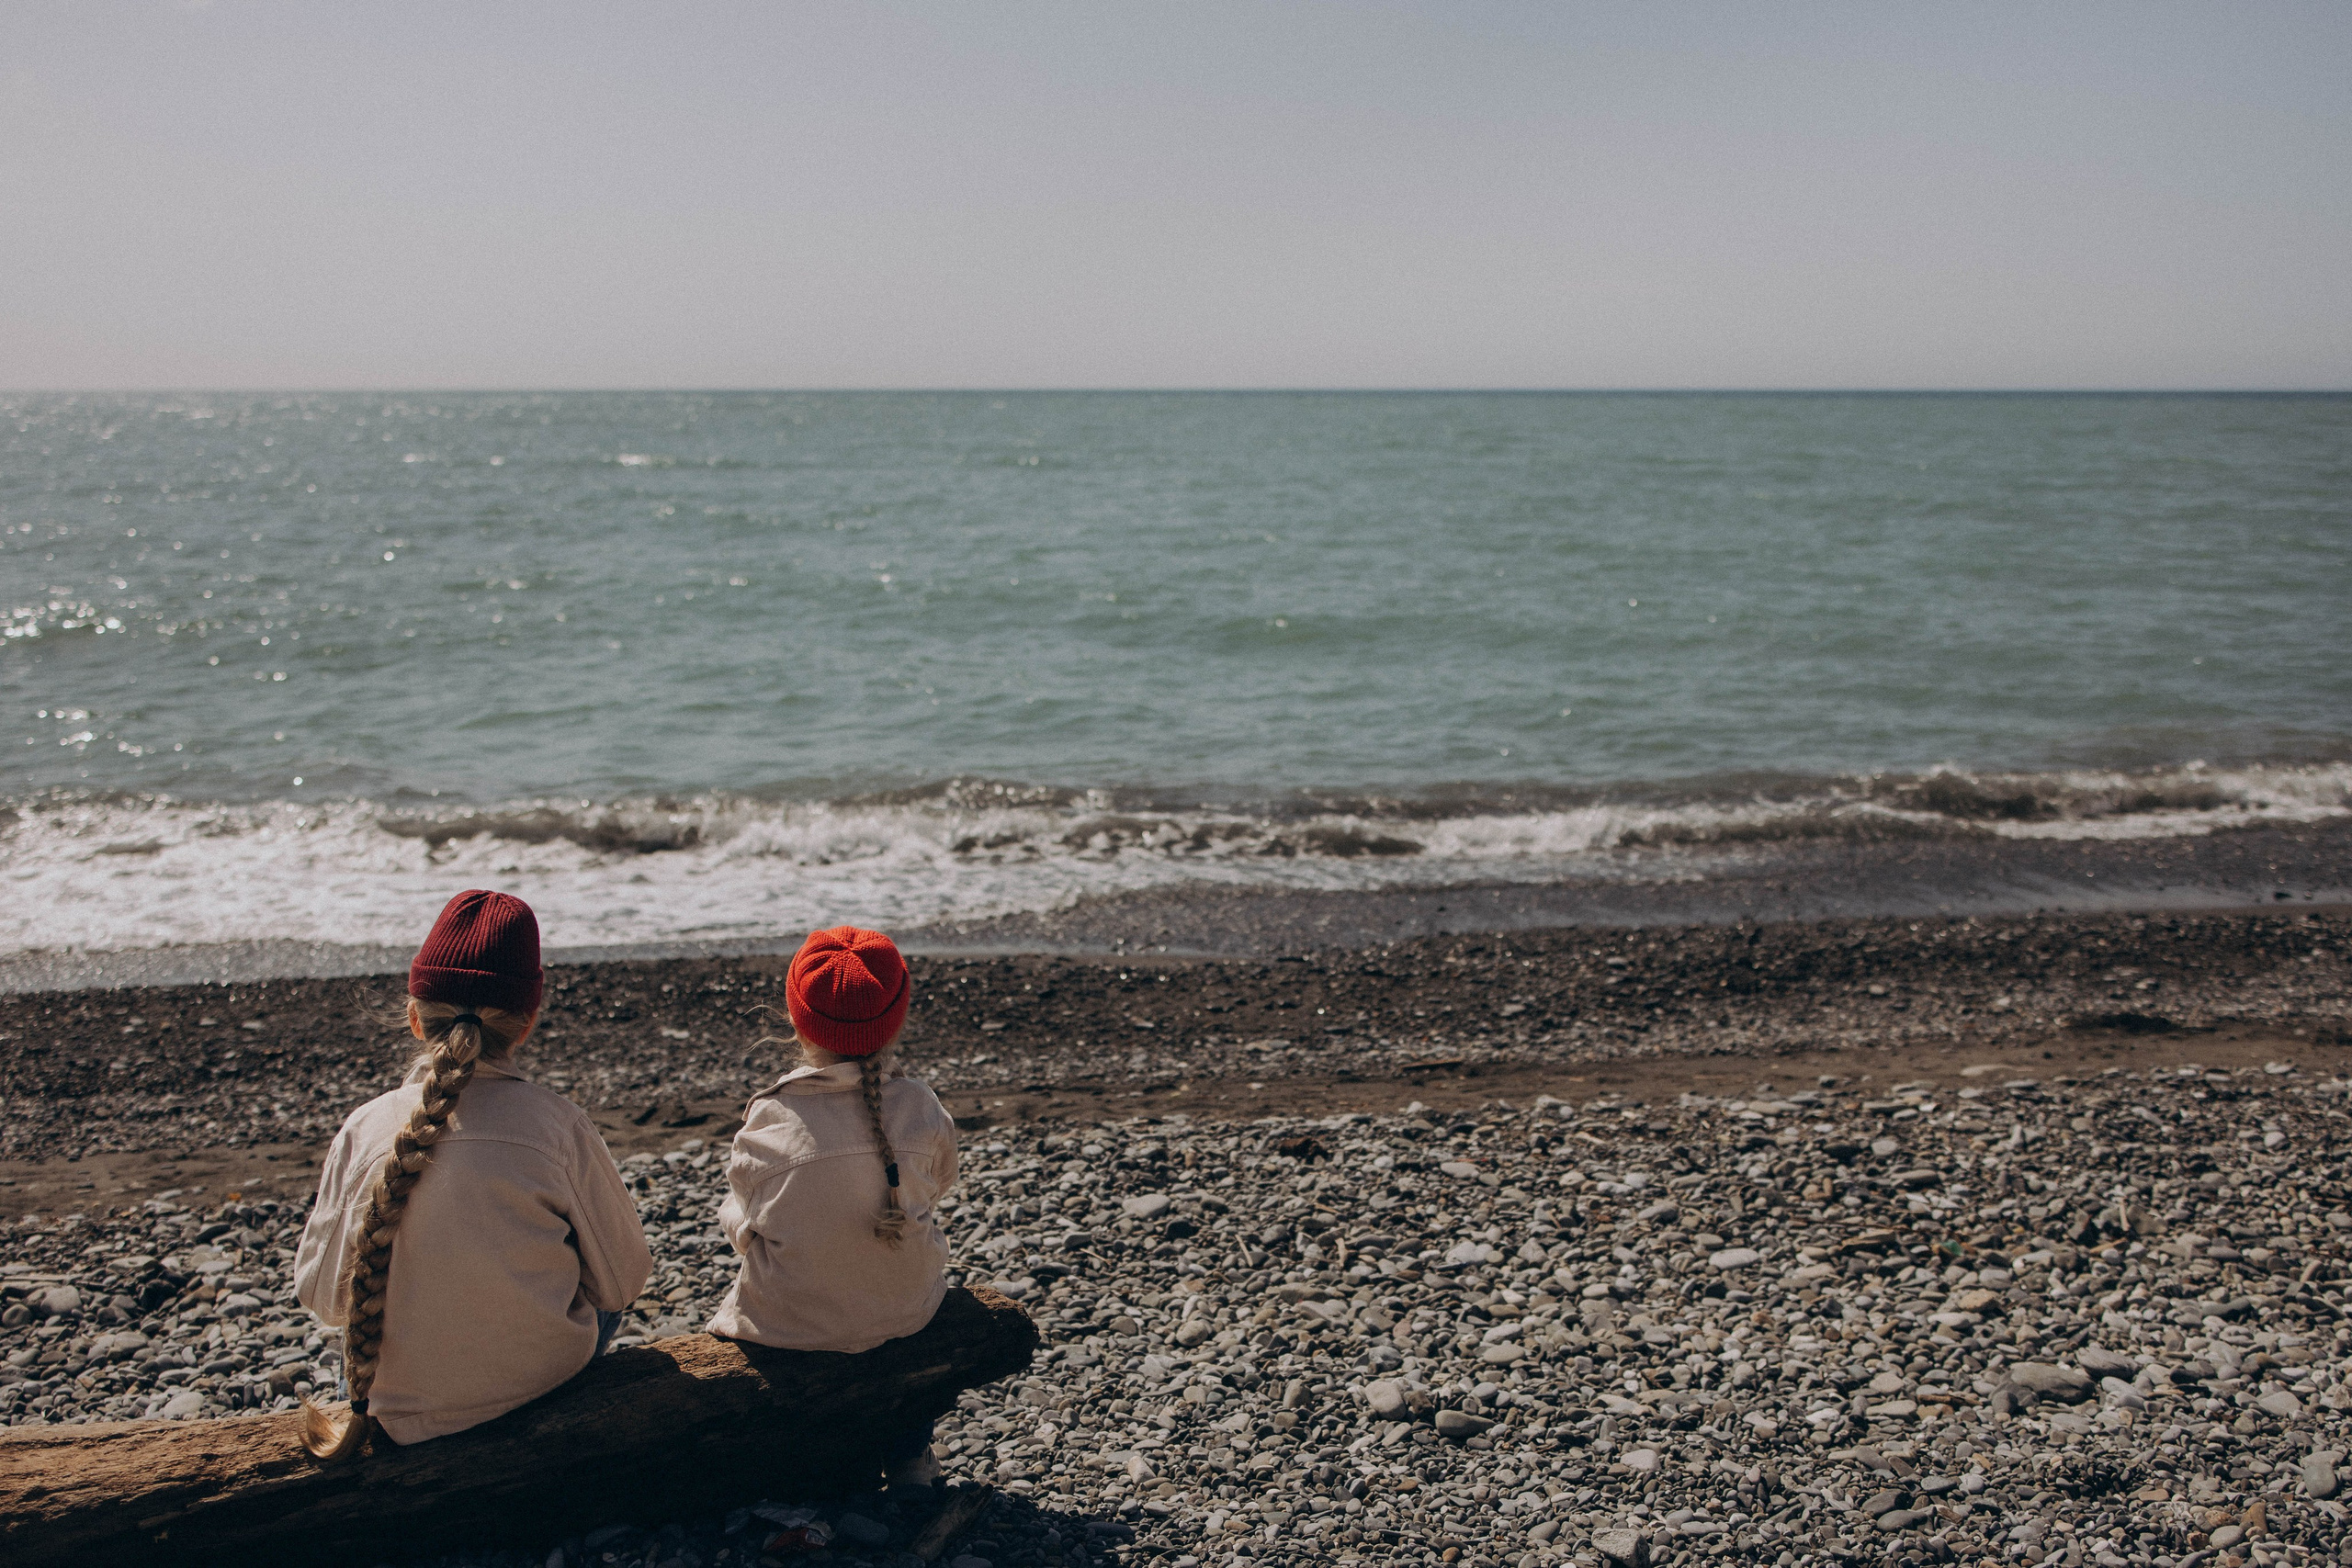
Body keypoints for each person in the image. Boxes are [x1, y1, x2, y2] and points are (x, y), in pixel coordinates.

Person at [293, 889, 652, 1458]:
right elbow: (624, 1281)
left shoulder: (364, 1131)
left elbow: (326, 1301)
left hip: (401, 1408)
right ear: (526, 1023)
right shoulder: (559, 1126)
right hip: (541, 1384)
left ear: (414, 1018)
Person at [707, 925, 959, 1487]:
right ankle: (910, 1455)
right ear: (896, 1016)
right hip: (906, 1308)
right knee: (900, 1340)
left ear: (797, 1018)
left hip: (794, 1323)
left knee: (755, 1231)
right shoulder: (921, 1106)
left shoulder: (770, 1118)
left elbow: (747, 1218)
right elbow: (939, 1186)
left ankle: (822, 1470)